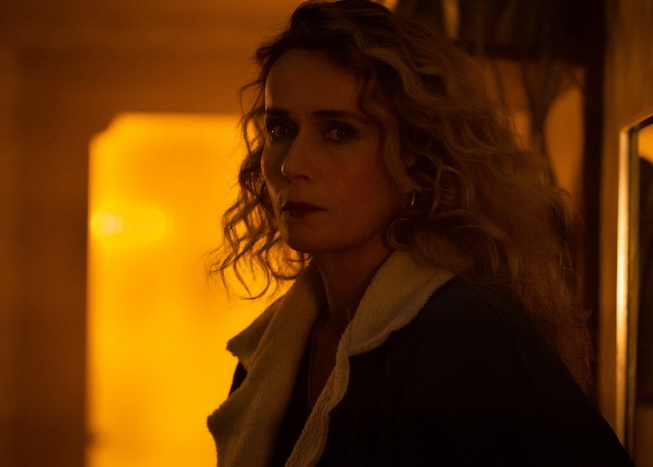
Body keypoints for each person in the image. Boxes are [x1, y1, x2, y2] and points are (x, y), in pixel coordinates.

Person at [207, 1, 633, 465]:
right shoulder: (268, 353)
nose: (292, 165)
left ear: (416, 155)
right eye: (280, 129)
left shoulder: (466, 335)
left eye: (338, 132)